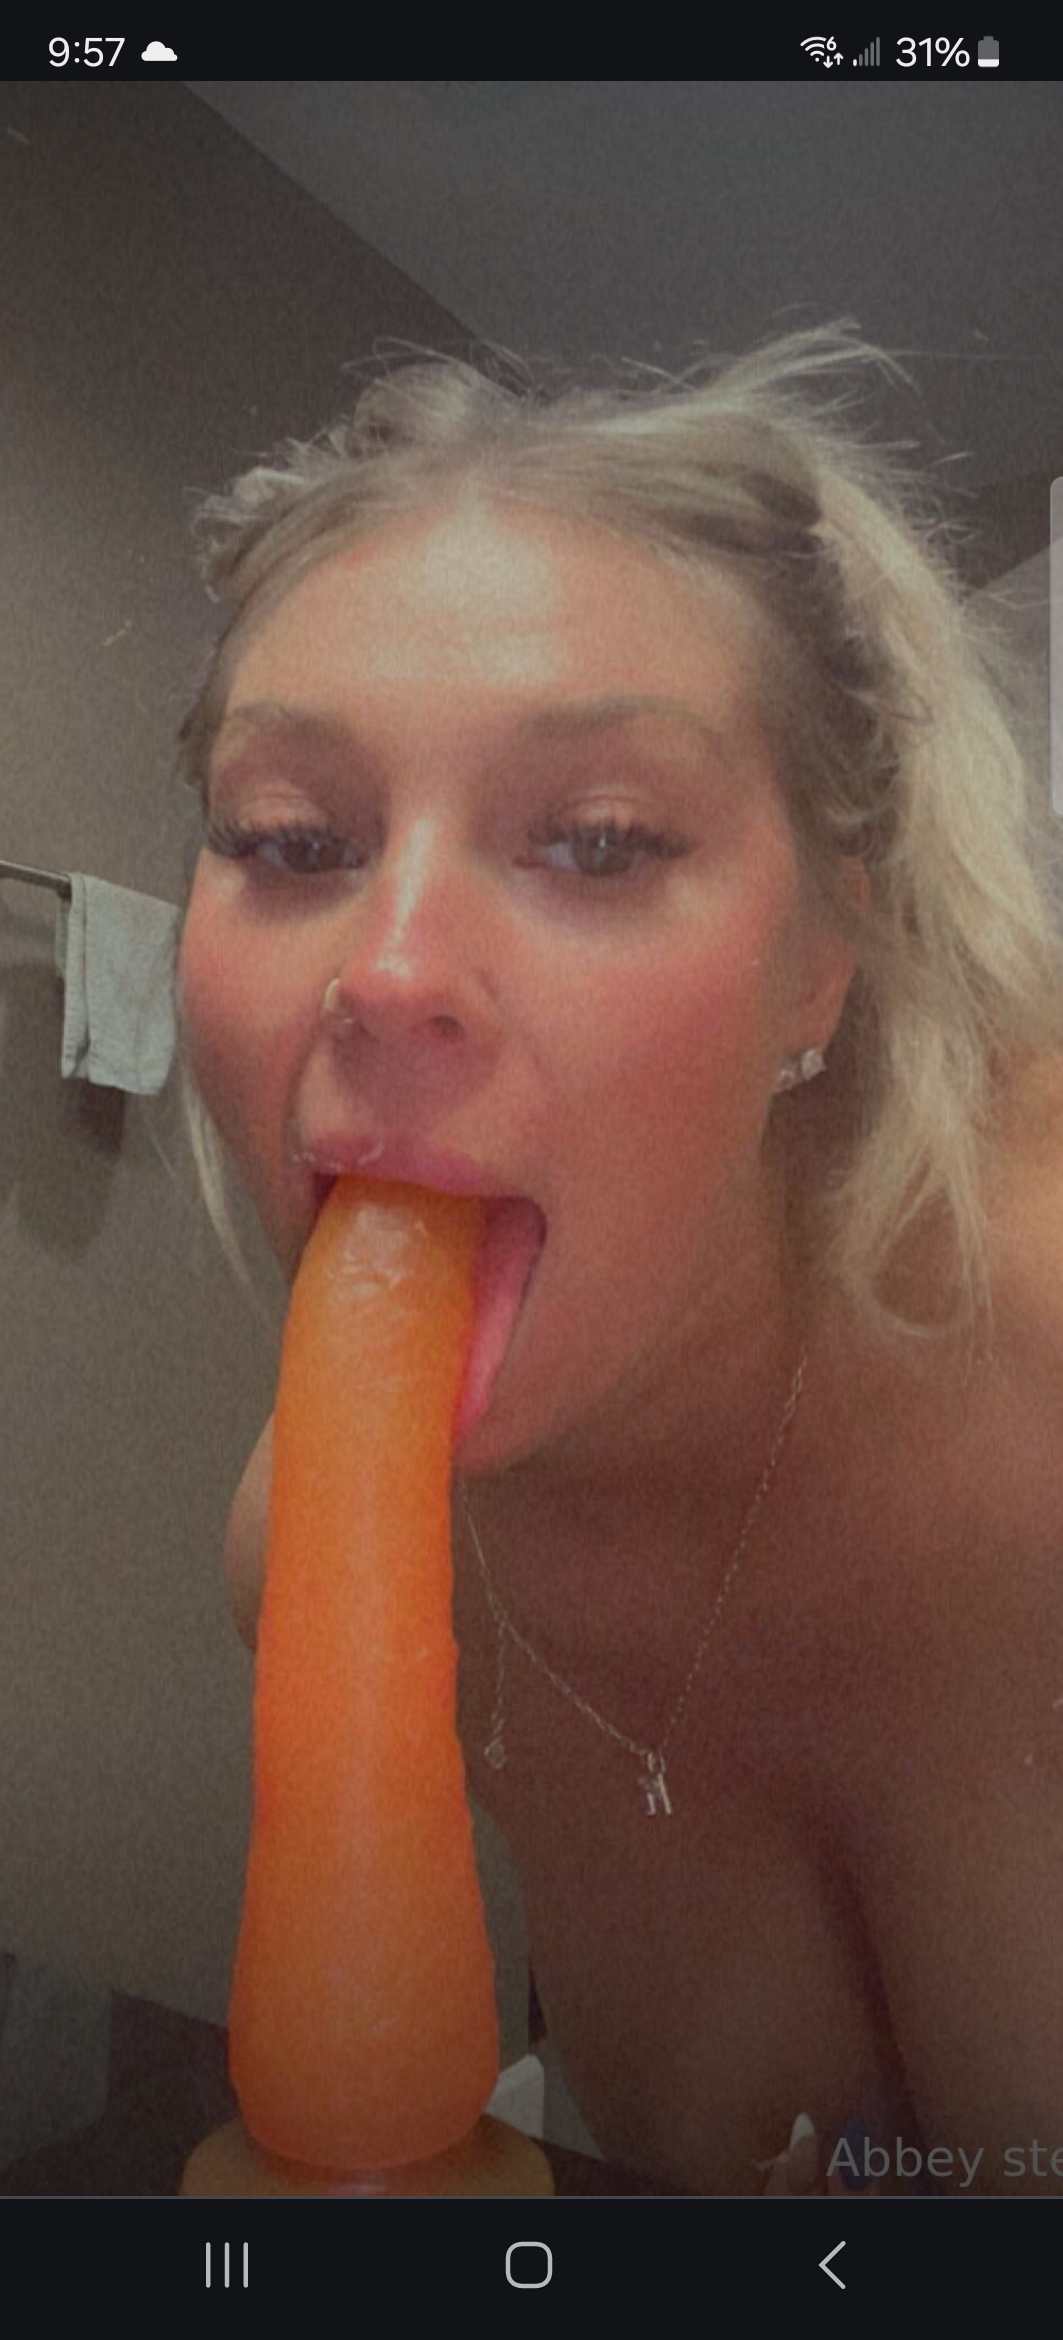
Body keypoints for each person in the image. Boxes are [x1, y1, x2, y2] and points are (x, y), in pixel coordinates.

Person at [172, 325, 1063, 2197]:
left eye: (594, 841)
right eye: (290, 839)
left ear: (822, 959)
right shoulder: (303, 1561)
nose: (385, 972)